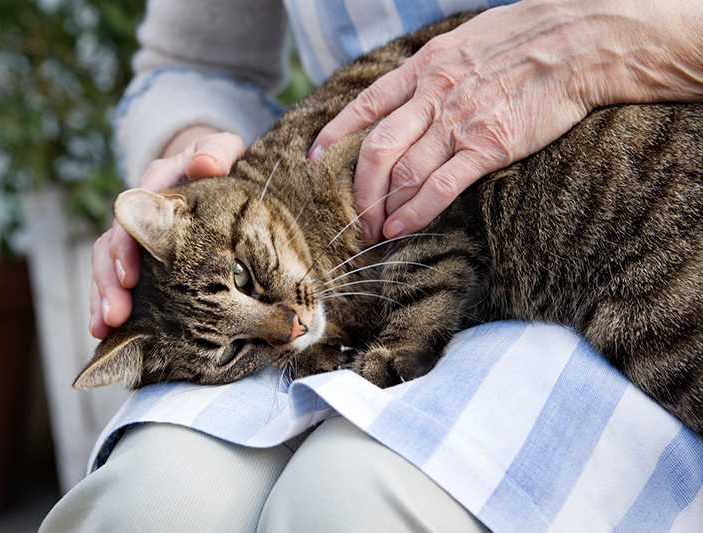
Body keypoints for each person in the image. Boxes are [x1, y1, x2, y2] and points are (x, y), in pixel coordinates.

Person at [42, 0, 703, 531]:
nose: (282, 326)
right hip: (353, 256)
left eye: (245, 289)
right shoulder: (283, 260)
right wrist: (191, 163)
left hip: (628, 166)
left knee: (343, 505)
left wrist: (609, 37)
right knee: (143, 508)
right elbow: (191, 62)